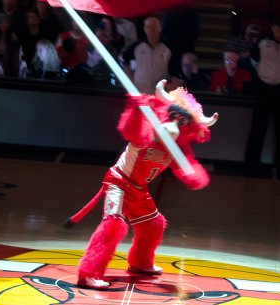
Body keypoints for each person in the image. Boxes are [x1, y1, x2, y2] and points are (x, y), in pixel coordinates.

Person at [68, 81, 217, 289]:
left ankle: (140, 263)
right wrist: (136, 109)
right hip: (118, 182)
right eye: (173, 116)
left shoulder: (177, 148)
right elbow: (130, 131)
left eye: (182, 122)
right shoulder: (146, 134)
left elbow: (189, 169)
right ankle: (89, 273)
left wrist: (194, 176)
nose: (174, 125)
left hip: (138, 189)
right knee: (113, 224)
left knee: (153, 224)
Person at [244, 18, 280, 176]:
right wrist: (265, 74)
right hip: (264, 88)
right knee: (258, 127)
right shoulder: (262, 43)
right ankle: (251, 165)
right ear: (272, 27)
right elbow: (254, 59)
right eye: (277, 28)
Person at [123, 16, 172, 94]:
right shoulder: (136, 46)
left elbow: (175, 70)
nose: (151, 29)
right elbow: (125, 61)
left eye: (154, 26)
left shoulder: (168, 47)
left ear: (160, 28)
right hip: (140, 90)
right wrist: (131, 81)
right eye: (148, 27)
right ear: (145, 29)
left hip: (161, 91)